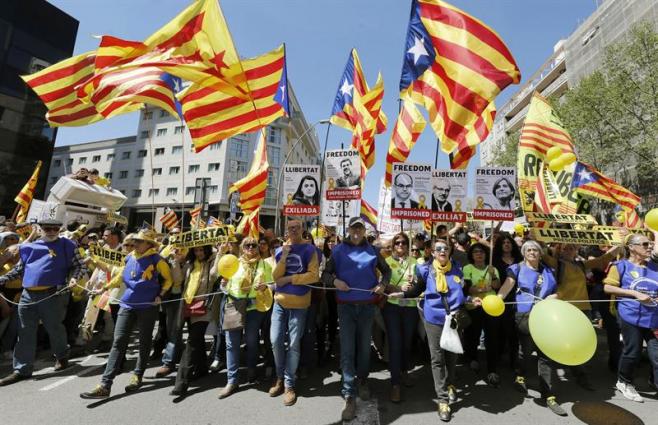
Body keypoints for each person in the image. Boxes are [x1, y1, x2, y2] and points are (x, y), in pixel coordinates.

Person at [80, 229, 176, 399]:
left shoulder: (157, 260)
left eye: (139, 241)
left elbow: (168, 280)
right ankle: (105, 384)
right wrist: (106, 287)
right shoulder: (129, 257)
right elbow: (121, 276)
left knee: (144, 341)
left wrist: (160, 295)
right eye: (134, 241)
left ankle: (137, 375)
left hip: (147, 306)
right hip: (127, 304)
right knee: (118, 341)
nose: (135, 244)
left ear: (148, 244)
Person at [0, 219, 87, 386]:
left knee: (54, 328)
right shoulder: (27, 247)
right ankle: (21, 369)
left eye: (56, 228)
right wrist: (2, 279)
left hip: (52, 294)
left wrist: (74, 279)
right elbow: (19, 270)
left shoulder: (68, 245)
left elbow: (80, 266)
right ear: (40, 229)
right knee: (24, 331)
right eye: (48, 228)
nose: (52, 231)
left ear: (60, 229)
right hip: (27, 295)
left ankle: (62, 355)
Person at [322, 217, 391, 421]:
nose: (356, 231)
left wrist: (383, 285)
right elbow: (325, 274)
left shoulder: (373, 250)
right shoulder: (337, 251)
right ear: (349, 229)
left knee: (363, 347)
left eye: (360, 228)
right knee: (347, 348)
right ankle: (348, 391)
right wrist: (335, 280)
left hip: (367, 306)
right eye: (354, 228)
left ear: (363, 230)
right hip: (345, 307)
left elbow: (387, 271)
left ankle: (362, 380)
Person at [390, 239, 467, 422]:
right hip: (433, 319)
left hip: (454, 319)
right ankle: (442, 400)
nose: (442, 251)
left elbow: (463, 290)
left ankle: (450, 384)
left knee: (452, 356)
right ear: (432, 252)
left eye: (445, 248)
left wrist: (473, 298)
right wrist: (401, 294)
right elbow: (417, 289)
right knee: (437, 358)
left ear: (449, 252)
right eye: (438, 249)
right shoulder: (425, 270)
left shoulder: (457, 269)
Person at [497, 240, 566, 417]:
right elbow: (508, 285)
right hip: (525, 316)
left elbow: (559, 292)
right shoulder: (516, 268)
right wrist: (498, 299)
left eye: (535, 249)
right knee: (525, 351)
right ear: (523, 252)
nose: (532, 252)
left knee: (546, 355)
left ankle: (548, 395)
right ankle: (520, 375)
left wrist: (554, 297)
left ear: (540, 253)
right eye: (528, 249)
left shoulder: (549, 270)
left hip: (546, 316)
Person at [544, 242, 620, 390]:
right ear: (559, 250)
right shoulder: (556, 263)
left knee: (579, 343)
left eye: (572, 248)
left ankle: (580, 375)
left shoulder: (581, 265)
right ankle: (556, 372)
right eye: (565, 248)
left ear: (576, 250)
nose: (568, 250)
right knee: (561, 341)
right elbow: (540, 254)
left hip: (584, 309)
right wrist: (537, 237)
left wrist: (617, 245)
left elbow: (603, 259)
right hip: (564, 309)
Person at [269, 220, 319, 406]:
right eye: (290, 227)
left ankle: (289, 385)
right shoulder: (281, 250)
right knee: (275, 340)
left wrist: (290, 278)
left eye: (297, 227)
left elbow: (314, 275)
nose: (293, 230)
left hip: (299, 304)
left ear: (302, 229)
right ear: (286, 230)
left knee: (293, 344)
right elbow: (275, 276)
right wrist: (284, 257)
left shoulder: (310, 250)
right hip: (280, 302)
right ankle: (279, 376)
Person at [604, 232, 658, 403]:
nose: (650, 247)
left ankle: (654, 382)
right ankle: (624, 382)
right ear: (632, 248)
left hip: (653, 318)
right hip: (630, 316)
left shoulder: (655, 267)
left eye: (650, 243)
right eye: (645, 244)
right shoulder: (620, 266)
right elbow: (608, 288)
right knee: (633, 352)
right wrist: (634, 293)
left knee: (656, 355)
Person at [218, 237, 273, 398]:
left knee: (252, 342)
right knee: (231, 344)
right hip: (234, 306)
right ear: (242, 248)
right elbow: (224, 286)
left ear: (258, 248)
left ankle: (251, 372)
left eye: (254, 245)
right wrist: (223, 285)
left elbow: (273, 284)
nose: (250, 247)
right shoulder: (233, 263)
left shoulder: (265, 264)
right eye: (247, 245)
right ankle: (232, 381)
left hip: (255, 309)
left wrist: (266, 286)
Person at [382, 232, 418, 403]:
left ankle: (404, 372)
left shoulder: (415, 263)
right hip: (392, 307)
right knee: (395, 344)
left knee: (406, 343)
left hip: (410, 307)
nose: (401, 246)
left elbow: (420, 283)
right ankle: (395, 384)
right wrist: (398, 286)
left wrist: (415, 281)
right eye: (397, 243)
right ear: (393, 245)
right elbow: (383, 284)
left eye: (404, 243)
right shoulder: (387, 262)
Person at [462, 243, 500, 385]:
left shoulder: (493, 269)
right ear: (471, 255)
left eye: (482, 252)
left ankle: (492, 369)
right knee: (473, 334)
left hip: (491, 306)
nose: (479, 254)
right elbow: (469, 289)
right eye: (476, 252)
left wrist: (493, 277)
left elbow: (497, 286)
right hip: (474, 306)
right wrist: (483, 289)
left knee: (492, 338)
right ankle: (472, 358)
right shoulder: (467, 268)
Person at [492, 233, 522, 371]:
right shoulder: (494, 260)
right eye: (503, 242)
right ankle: (497, 358)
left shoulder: (520, 260)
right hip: (500, 298)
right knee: (500, 331)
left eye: (509, 242)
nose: (506, 244)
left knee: (514, 333)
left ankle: (514, 361)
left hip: (518, 299)